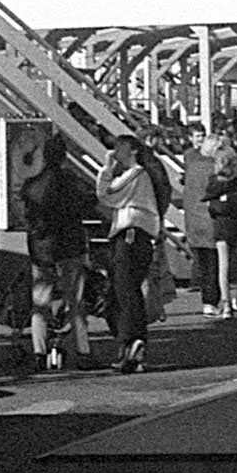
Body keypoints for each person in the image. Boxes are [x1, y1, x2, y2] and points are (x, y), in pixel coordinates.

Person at [94, 133, 169, 374]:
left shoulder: (136, 174)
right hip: (136, 236)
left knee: (125, 291)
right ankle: (131, 342)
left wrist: (106, 169)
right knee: (123, 291)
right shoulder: (140, 176)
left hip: (131, 235)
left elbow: (106, 193)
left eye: (120, 148)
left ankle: (132, 341)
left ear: (134, 151)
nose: (115, 153)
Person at [20, 133, 94, 370]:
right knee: (76, 303)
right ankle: (83, 351)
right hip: (70, 245)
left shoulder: (32, 184)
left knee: (40, 303)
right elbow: (90, 200)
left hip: (41, 248)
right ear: (64, 157)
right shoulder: (72, 182)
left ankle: (39, 352)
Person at [178, 122, 222, 317]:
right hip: (212, 220)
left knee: (203, 263)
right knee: (216, 264)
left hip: (193, 221)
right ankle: (214, 300)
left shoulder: (192, 167)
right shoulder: (215, 169)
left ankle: (207, 300)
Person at [203, 143, 237, 316]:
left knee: (222, 267)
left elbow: (210, 207)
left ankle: (226, 304)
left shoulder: (214, 182)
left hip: (221, 228)